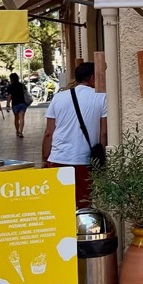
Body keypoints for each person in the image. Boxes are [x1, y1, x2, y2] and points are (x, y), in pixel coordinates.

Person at [42, 62, 107, 207]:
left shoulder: (58, 97)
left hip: (58, 159)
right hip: (84, 161)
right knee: (83, 205)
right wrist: (101, 156)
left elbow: (48, 133)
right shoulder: (102, 97)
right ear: (92, 78)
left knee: (60, 205)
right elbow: (103, 133)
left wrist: (45, 158)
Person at [5, 72, 29, 138]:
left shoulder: (10, 86)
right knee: (22, 118)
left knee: (16, 118)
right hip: (22, 103)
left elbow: (9, 96)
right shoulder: (21, 85)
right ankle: (21, 132)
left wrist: (7, 105)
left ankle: (17, 131)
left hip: (15, 104)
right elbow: (26, 92)